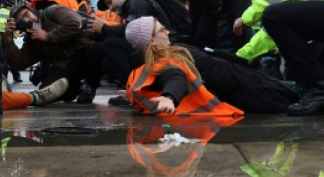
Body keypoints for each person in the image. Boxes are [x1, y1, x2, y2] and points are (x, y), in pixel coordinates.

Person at [125, 16, 300, 114]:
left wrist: (243, 60)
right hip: (250, 92)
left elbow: (212, 54)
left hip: (250, 80)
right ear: (152, 41)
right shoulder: (166, 60)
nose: (167, 31)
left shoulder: (174, 49)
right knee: (301, 98)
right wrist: (169, 97)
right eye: (162, 30)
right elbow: (174, 77)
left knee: (300, 92)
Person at [5, 4, 90, 102]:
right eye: (22, 20)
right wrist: (8, 39)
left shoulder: (53, 11)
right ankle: (75, 87)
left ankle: (89, 85)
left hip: (84, 50)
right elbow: (18, 62)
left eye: (27, 14)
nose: (27, 20)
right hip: (66, 62)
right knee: (48, 91)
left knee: (95, 52)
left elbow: (76, 23)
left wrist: (47, 36)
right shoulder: (32, 38)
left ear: (32, 11)